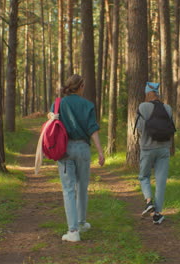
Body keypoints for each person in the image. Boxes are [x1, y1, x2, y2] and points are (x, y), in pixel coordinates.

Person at [54, 74, 105, 242]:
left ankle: (74, 230)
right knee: (82, 187)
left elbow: (52, 121)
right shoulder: (88, 105)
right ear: (81, 86)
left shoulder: (60, 103)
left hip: (65, 149)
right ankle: (81, 223)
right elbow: (93, 129)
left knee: (68, 189)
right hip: (83, 149)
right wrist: (100, 151)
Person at [135, 82, 172, 224]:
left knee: (144, 176)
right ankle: (157, 214)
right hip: (164, 149)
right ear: (158, 93)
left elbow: (139, 128)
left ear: (147, 93)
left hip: (147, 148)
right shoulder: (168, 108)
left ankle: (149, 201)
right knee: (161, 181)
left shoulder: (143, 107)